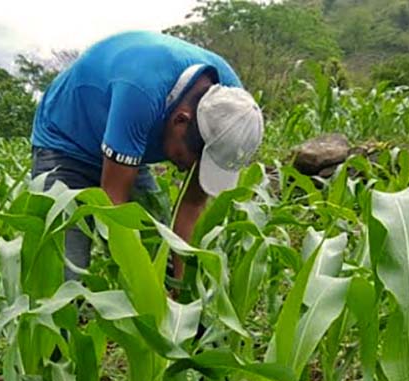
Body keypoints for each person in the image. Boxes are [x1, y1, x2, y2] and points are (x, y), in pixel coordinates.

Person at [30, 30, 264, 280]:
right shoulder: (141, 90)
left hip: (128, 142)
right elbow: (113, 204)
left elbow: (192, 204)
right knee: (63, 272)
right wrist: (145, 288)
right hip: (67, 143)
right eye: (188, 161)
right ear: (180, 120)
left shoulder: (232, 110)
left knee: (158, 253)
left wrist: (179, 290)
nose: (187, 170)